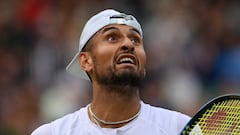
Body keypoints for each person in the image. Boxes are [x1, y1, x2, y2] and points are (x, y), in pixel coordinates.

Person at [31, 9, 191, 135]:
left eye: (135, 39)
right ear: (86, 61)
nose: (129, 44)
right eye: (112, 38)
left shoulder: (181, 128)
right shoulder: (52, 133)